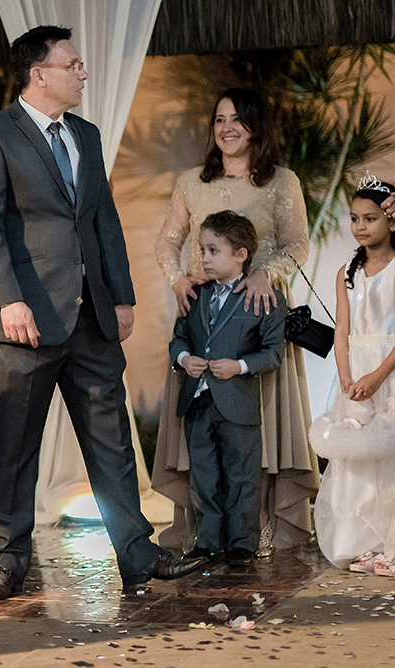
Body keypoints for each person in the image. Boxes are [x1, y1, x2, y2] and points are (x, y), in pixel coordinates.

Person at [0, 24, 202, 597]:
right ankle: (7, 558)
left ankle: (137, 553)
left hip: (91, 316)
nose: (83, 73)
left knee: (112, 440)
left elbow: (102, 220)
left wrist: (121, 296)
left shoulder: (86, 135)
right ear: (39, 74)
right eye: (72, 65)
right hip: (23, 319)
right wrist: (9, 299)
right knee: (15, 446)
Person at [153, 88, 317, 558]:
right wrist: (177, 279)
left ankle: (259, 524)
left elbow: (297, 244)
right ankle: (205, 530)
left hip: (259, 313)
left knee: (259, 427)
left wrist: (268, 273)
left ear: (256, 127)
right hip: (202, 314)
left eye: (238, 119)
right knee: (202, 429)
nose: (227, 128)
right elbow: (168, 242)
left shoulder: (282, 181)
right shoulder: (191, 182)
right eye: (220, 119)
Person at [170, 211, 286, 568]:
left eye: (213, 250)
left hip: (239, 402)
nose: (204, 258)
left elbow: (273, 353)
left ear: (241, 255)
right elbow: (178, 339)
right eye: (201, 250)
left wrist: (240, 366)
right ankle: (207, 542)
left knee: (242, 475)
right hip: (198, 401)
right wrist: (184, 358)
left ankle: (242, 543)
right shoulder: (195, 295)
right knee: (203, 476)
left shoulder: (266, 299)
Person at [310, 175, 395, 574]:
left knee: (389, 458)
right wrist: (345, 376)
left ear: (391, 219)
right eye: (355, 218)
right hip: (356, 373)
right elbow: (342, 329)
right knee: (358, 461)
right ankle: (364, 542)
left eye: (370, 218)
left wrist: (378, 375)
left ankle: (392, 543)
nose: (360, 226)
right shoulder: (347, 272)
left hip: (387, 369)